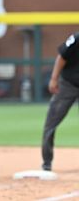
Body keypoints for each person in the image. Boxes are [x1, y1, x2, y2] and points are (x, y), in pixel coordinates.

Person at [41, 32, 79, 171]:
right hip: (68, 84)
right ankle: (47, 163)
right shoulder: (76, 38)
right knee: (52, 122)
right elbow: (62, 56)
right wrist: (54, 78)